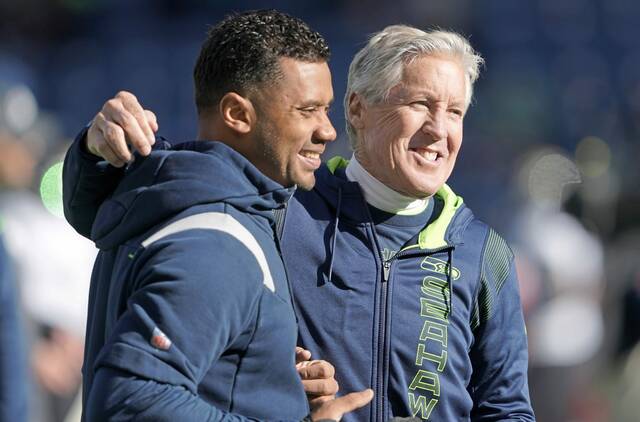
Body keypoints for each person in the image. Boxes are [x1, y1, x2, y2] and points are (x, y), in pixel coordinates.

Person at [63, 23, 535, 421]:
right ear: (356, 109)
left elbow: (506, 408)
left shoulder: (483, 252)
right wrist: (98, 153)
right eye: (420, 105)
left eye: (454, 112)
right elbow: (149, 198)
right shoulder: (282, 206)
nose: (440, 129)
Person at [63, 10, 372, 421]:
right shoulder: (217, 241)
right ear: (237, 114)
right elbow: (130, 401)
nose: (328, 130)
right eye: (308, 110)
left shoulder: (175, 197)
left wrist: (270, 380)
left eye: (327, 109)